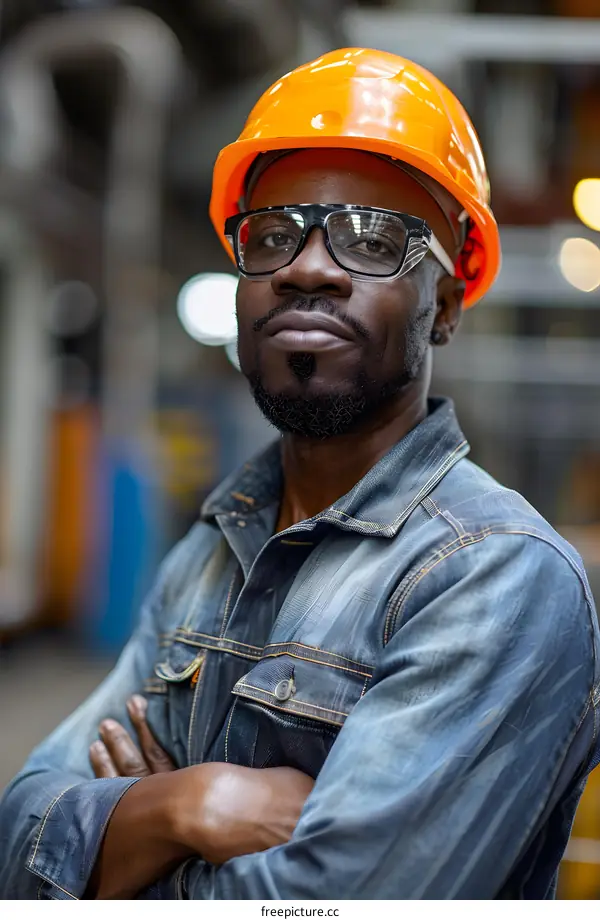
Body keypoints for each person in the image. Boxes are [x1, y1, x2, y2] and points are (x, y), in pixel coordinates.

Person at [0, 48, 598, 901]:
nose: (306, 266)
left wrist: (115, 845)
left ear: (448, 305)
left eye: (372, 239)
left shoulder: (493, 579)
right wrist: (184, 806)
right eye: (274, 234)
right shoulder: (212, 550)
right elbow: (15, 836)